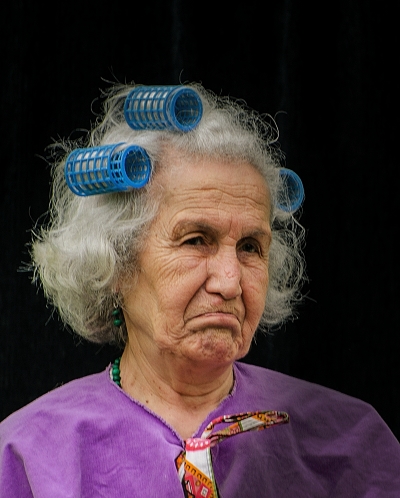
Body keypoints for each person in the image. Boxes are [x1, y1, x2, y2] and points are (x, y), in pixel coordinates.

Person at [0, 83, 399, 498]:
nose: (229, 281)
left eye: (250, 247)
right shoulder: (28, 458)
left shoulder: (351, 444)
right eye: (196, 241)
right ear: (115, 262)